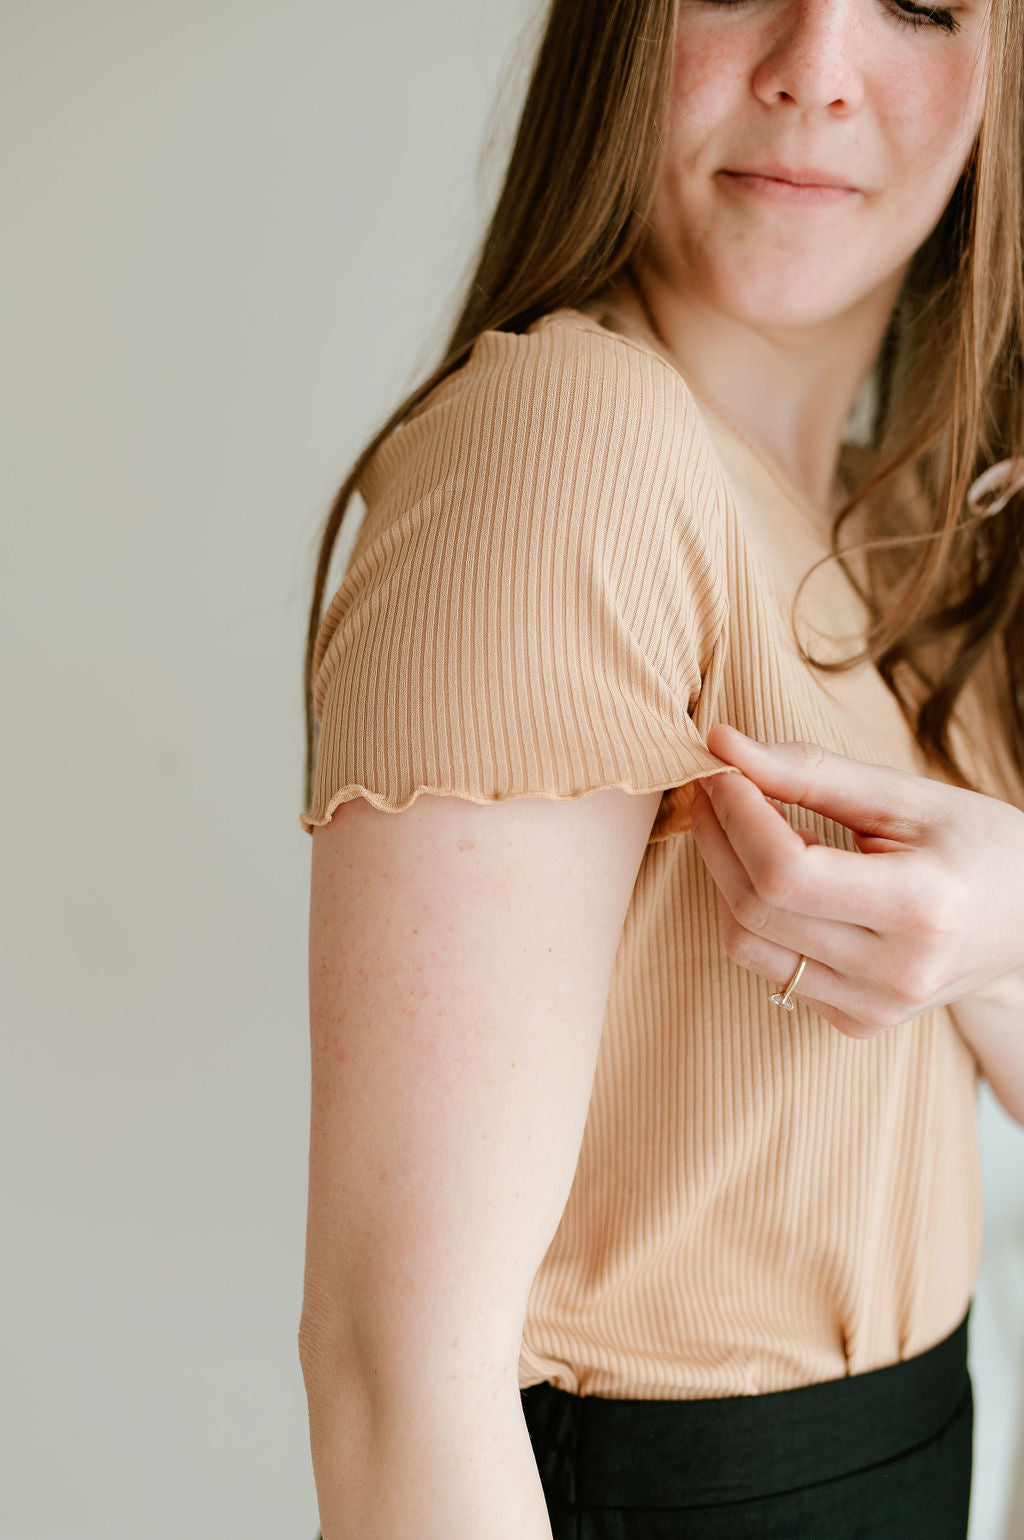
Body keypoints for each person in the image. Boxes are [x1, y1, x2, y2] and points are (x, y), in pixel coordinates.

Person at [296, 1, 1024, 1535]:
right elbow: (397, 1377)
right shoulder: (568, 451)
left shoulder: (912, 521)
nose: (815, 69)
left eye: (917, 3)